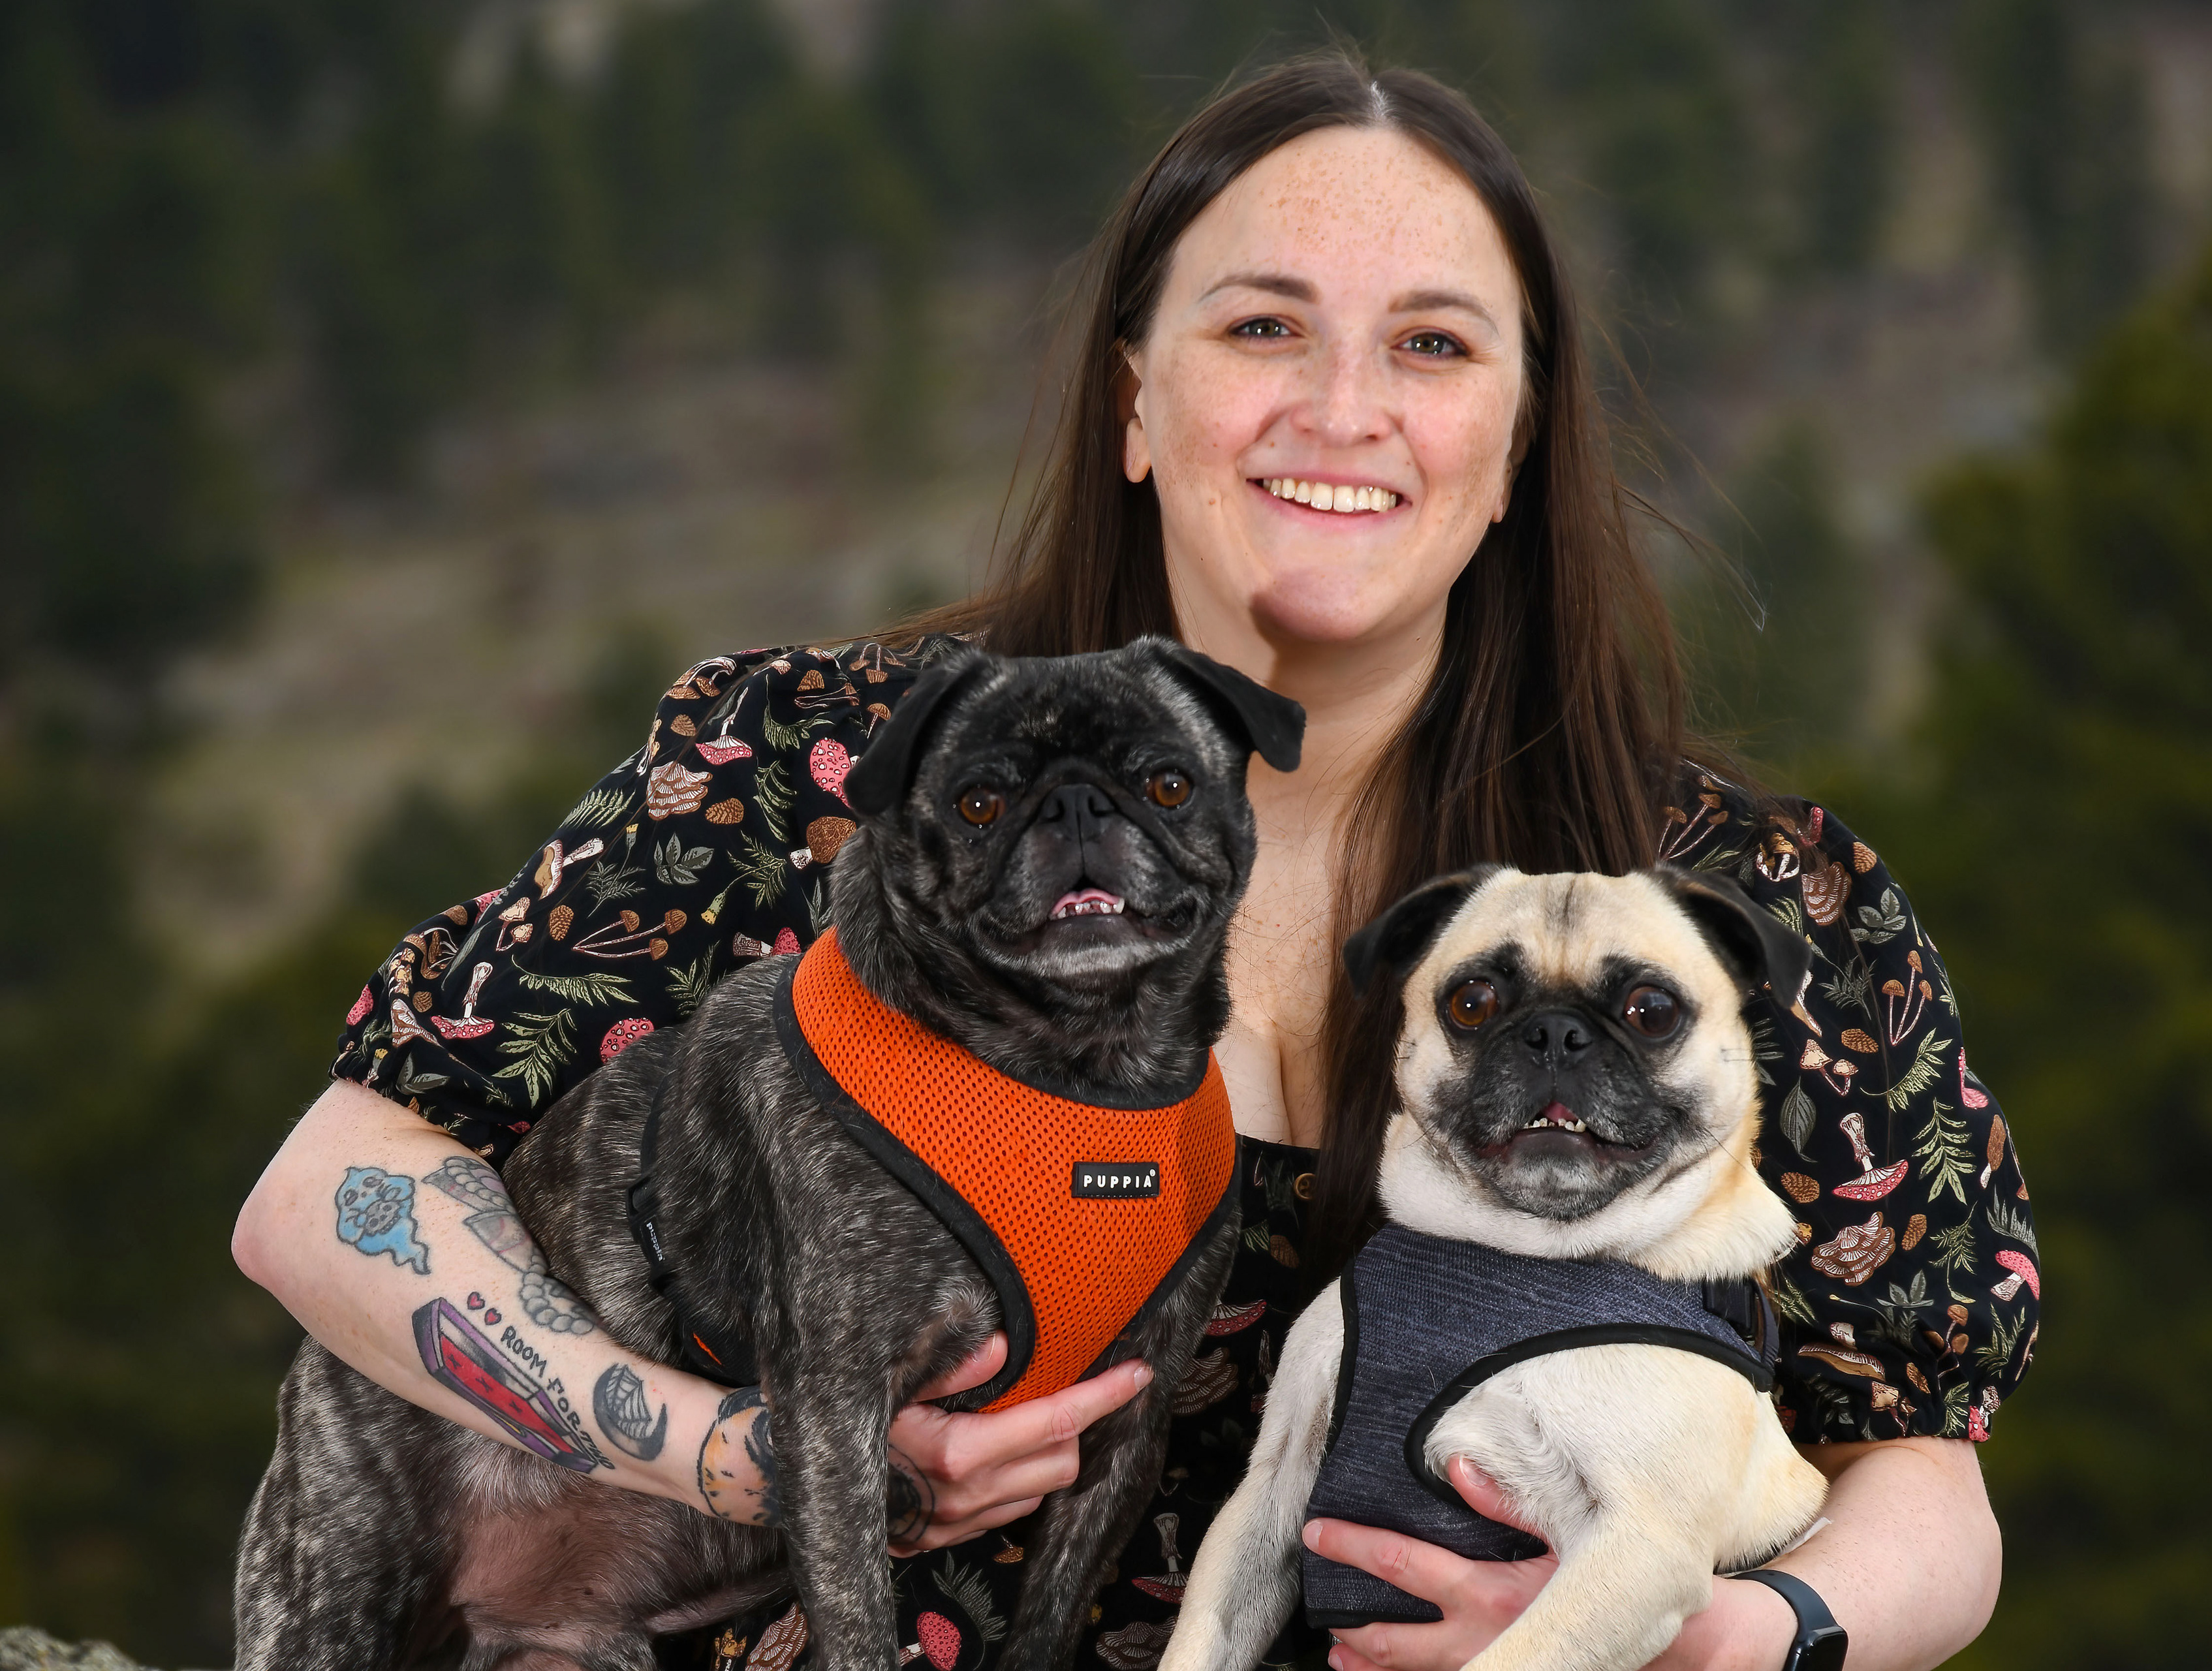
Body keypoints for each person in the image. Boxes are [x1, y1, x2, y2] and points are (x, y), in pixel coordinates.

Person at [235, 53, 2035, 1671]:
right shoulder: (811, 768)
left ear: (1515, 447)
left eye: (1432, 345)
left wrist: (1741, 1636)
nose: (1342, 407)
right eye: (1262, 328)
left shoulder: (1748, 904)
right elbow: (326, 1192)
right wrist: (729, 1451)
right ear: (1131, 403)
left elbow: (1926, 1481)